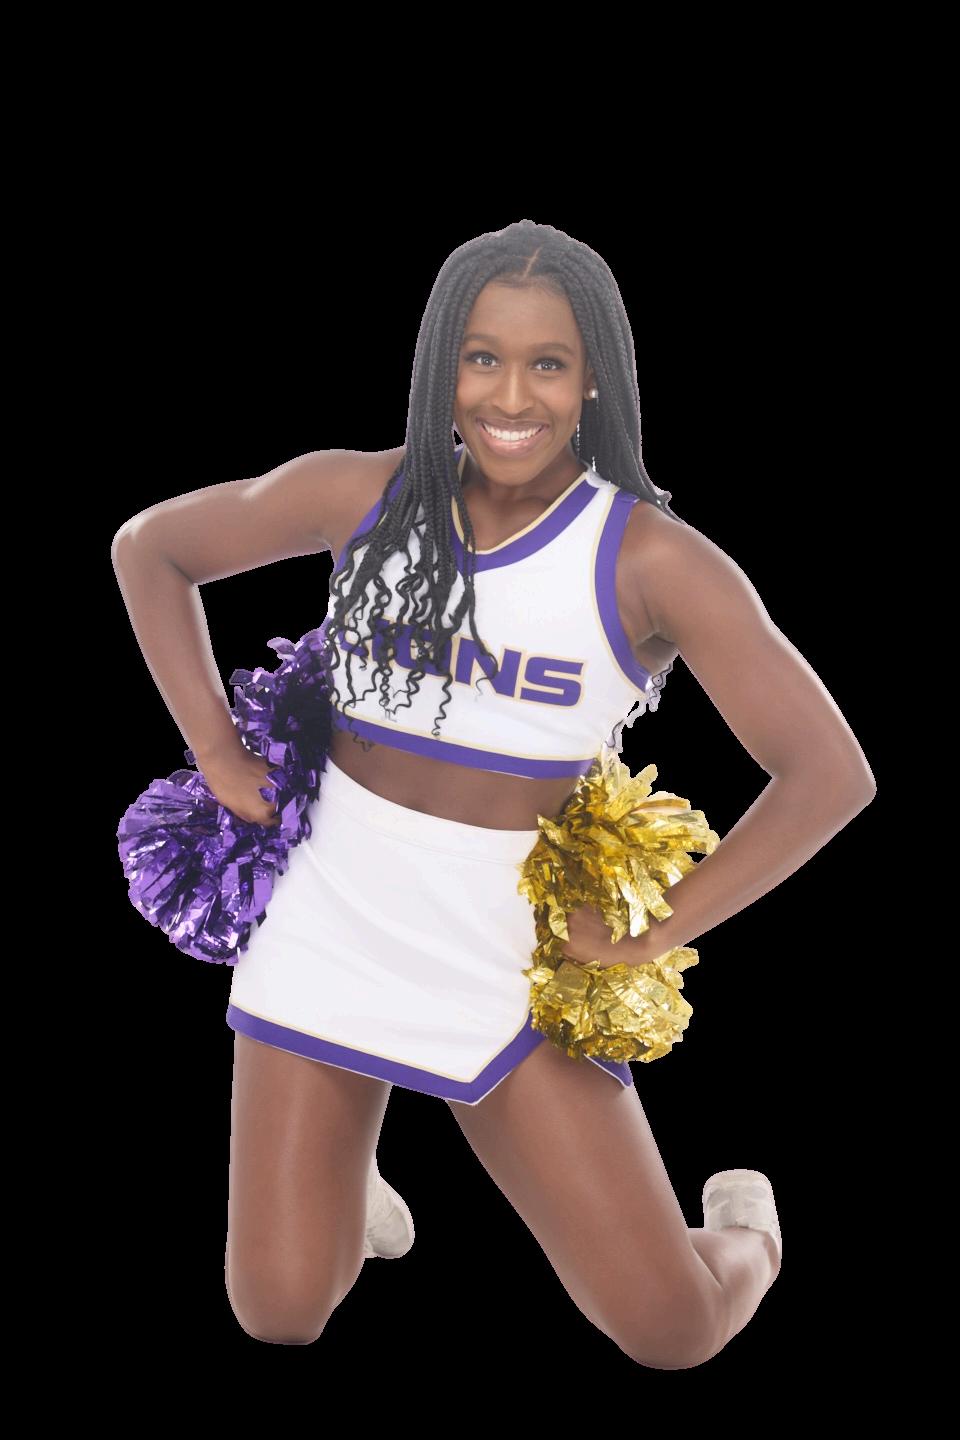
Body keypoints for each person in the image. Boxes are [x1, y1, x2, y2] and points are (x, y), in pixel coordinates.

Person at [111, 219, 876, 1361]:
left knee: (672, 1331)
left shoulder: (649, 558)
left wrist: (651, 930)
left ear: (593, 380)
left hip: (508, 951)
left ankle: (744, 1233)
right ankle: (353, 1190)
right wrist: (219, 756)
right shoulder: (360, 494)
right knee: (278, 1312)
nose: (511, 395)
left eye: (547, 363)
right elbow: (151, 548)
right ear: (443, 368)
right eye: (482, 358)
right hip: (334, 918)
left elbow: (828, 773)